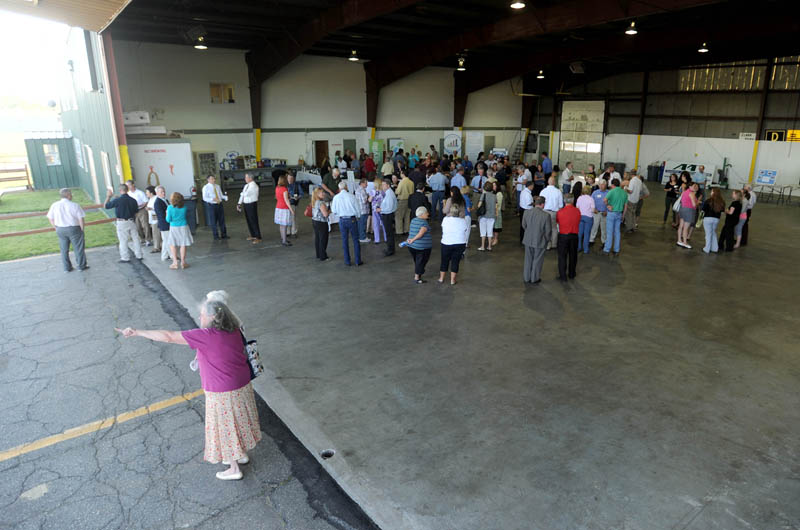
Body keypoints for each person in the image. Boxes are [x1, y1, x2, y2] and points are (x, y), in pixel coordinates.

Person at [116, 298, 261, 481]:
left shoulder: (206, 335)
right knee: (237, 420)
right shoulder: (234, 330)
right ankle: (240, 453)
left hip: (222, 391)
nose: (199, 317)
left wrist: (137, 332)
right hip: (242, 385)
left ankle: (234, 468)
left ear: (213, 317)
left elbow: (168, 336)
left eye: (202, 314)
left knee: (224, 427)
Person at [46, 188, 87, 272]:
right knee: (78, 248)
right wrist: (82, 229)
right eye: (71, 194)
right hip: (74, 228)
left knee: (64, 249)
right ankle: (81, 266)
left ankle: (67, 268)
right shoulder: (75, 205)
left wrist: (55, 227)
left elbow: (50, 218)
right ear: (68, 195)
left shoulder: (54, 205)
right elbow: (80, 219)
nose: (72, 195)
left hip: (60, 229)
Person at [105, 184, 143, 263]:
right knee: (136, 239)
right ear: (127, 190)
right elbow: (136, 212)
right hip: (132, 221)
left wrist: (108, 196)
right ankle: (139, 255)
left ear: (120, 191)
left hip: (121, 222)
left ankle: (125, 257)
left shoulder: (118, 200)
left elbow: (106, 206)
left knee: (123, 240)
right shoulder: (133, 200)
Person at [330, 181, 363, 266]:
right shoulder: (352, 196)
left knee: (344, 241)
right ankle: (357, 261)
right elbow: (358, 209)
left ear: (339, 188)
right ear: (346, 187)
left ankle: (347, 261)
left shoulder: (336, 198)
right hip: (352, 220)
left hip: (342, 220)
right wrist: (358, 217)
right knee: (355, 240)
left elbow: (333, 211)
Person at [521, 196, 551, 284]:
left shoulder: (526, 212)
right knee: (537, 260)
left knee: (528, 259)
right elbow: (548, 231)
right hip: (540, 240)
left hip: (528, 239)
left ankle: (526, 277)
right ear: (542, 204)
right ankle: (534, 278)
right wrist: (547, 240)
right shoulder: (546, 215)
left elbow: (524, 225)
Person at [438, 204, 470, 285]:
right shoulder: (463, 220)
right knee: (455, 261)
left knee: (444, 261)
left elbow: (443, 228)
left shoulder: (445, 219)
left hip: (446, 243)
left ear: (450, 211)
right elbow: (465, 229)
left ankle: (441, 278)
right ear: (459, 212)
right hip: (459, 243)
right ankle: (452, 280)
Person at [404, 206, 433, 284]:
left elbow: (412, 231)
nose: (428, 214)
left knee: (418, 261)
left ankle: (419, 272)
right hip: (421, 247)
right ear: (422, 214)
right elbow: (421, 233)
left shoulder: (413, 220)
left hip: (412, 246)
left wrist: (410, 240)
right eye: (426, 212)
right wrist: (413, 240)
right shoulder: (424, 222)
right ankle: (417, 278)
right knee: (421, 261)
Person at [556, 195, 581, 281]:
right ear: (573, 201)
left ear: (564, 201)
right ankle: (572, 274)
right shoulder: (577, 211)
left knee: (562, 256)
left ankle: (562, 275)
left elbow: (558, 221)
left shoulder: (560, 212)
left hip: (563, 236)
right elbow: (578, 221)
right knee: (573, 255)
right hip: (574, 236)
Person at [166, 192, 193, 269]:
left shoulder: (170, 208)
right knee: (183, 244)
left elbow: (168, 220)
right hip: (184, 226)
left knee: (172, 244)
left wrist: (166, 213)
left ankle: (175, 263)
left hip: (174, 227)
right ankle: (183, 262)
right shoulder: (184, 207)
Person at [603, 178, 626, 255]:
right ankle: (616, 250)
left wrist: (608, 205)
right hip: (619, 213)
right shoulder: (624, 193)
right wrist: (623, 215)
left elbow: (605, 200)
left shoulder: (611, 191)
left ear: (612, 185)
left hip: (611, 213)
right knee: (617, 232)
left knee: (609, 232)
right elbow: (625, 206)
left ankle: (607, 249)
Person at [237, 173, 261, 244]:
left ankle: (258, 237)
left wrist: (242, 193)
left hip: (251, 204)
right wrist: (239, 203)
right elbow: (243, 195)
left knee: (253, 220)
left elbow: (246, 194)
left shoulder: (253, 186)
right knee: (249, 220)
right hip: (246, 204)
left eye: (246, 177)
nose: (245, 179)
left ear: (250, 178)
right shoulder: (246, 185)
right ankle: (253, 235)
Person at [540, 177, 563, 250]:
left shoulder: (543, 191)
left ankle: (547, 244)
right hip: (554, 213)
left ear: (548, 182)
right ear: (554, 183)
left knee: (545, 228)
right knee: (554, 228)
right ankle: (554, 244)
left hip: (544, 212)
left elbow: (540, 203)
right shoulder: (558, 191)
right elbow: (561, 205)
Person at [202, 176, 228, 240]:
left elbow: (220, 195)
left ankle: (224, 234)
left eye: (214, 179)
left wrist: (224, 197)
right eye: (212, 179)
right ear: (208, 180)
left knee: (222, 220)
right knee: (213, 221)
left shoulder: (217, 186)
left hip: (219, 204)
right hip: (212, 205)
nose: (213, 180)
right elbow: (204, 198)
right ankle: (216, 236)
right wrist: (212, 199)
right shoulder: (206, 187)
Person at [376, 179, 397, 256]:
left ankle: (390, 250)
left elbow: (389, 207)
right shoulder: (387, 193)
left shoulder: (389, 194)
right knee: (389, 233)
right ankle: (390, 248)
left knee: (389, 233)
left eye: (383, 184)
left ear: (388, 185)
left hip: (387, 215)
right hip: (387, 214)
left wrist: (380, 209)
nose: (382, 186)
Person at [127, 179, 150, 246]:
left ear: (133, 185)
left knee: (145, 225)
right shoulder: (128, 194)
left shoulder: (140, 192)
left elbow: (146, 201)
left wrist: (141, 206)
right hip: (134, 212)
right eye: (127, 185)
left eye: (129, 185)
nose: (128, 186)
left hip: (141, 210)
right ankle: (142, 239)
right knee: (137, 226)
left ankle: (148, 239)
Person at [702, 187, 725, 254]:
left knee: (708, 234)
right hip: (716, 219)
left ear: (714, 193)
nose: (710, 192)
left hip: (707, 219)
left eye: (711, 191)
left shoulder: (708, 200)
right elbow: (722, 211)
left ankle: (707, 248)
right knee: (713, 233)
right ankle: (715, 248)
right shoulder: (722, 202)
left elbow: (703, 210)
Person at [476, 181, 498, 251]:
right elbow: (496, 207)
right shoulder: (495, 196)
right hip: (492, 216)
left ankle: (482, 246)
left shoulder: (483, 195)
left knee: (483, 231)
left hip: (483, 216)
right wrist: (496, 215)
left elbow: (479, 205)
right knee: (490, 231)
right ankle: (489, 246)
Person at [311, 187, 331, 262]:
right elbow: (325, 214)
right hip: (322, 222)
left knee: (318, 238)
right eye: (321, 193)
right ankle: (323, 256)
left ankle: (318, 254)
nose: (323, 194)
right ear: (317, 194)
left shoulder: (314, 201)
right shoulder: (321, 203)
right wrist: (329, 211)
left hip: (315, 221)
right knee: (323, 239)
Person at [677, 182, 699, 249]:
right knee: (686, 228)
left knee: (681, 226)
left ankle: (679, 240)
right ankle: (684, 242)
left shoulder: (685, 192)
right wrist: (697, 202)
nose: (695, 187)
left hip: (682, 209)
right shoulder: (691, 193)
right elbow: (694, 205)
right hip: (689, 211)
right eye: (693, 186)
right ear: (690, 187)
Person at [274, 175, 294, 247]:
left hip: (278, 207)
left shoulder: (277, 188)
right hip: (284, 209)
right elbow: (286, 201)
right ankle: (284, 241)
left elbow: (278, 197)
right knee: (285, 225)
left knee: (281, 225)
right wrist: (291, 210)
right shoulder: (284, 189)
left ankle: (283, 238)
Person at [153, 186, 171, 261]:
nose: (163, 193)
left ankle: (164, 256)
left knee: (166, 240)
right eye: (161, 192)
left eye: (164, 191)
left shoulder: (165, 200)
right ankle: (172, 256)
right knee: (168, 241)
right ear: (157, 193)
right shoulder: (157, 202)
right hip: (164, 223)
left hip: (168, 222)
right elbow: (161, 215)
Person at [576, 186, 594, 254]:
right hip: (588, 217)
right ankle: (586, 249)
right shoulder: (591, 199)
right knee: (587, 234)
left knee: (580, 233)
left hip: (580, 216)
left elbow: (577, 208)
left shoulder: (579, 198)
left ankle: (578, 247)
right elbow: (592, 209)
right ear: (589, 191)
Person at [395, 170, 414, 235]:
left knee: (399, 216)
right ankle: (407, 230)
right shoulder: (411, 182)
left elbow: (398, 192)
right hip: (409, 200)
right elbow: (412, 192)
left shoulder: (402, 182)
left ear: (403, 173)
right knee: (407, 216)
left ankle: (399, 231)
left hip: (402, 200)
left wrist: (396, 190)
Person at [590, 178, 608, 246]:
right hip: (596, 213)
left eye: (603, 185)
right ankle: (591, 240)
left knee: (604, 228)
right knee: (594, 226)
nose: (601, 186)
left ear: (605, 185)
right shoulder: (595, 192)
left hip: (604, 213)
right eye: (600, 185)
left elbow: (611, 204)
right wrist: (593, 209)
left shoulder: (608, 193)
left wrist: (607, 212)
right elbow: (591, 202)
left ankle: (604, 241)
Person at [145, 186, 163, 254]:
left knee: (155, 233)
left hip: (155, 217)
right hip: (153, 217)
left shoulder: (156, 199)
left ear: (151, 193)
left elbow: (157, 209)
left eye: (147, 192)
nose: (146, 193)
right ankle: (160, 245)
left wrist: (150, 209)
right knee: (156, 232)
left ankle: (156, 247)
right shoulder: (150, 199)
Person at [355, 178, 371, 243]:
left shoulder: (357, 189)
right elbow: (364, 201)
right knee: (363, 225)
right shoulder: (362, 190)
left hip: (359, 210)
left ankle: (360, 236)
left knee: (360, 224)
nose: (367, 185)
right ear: (362, 183)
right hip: (363, 210)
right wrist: (369, 197)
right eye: (366, 183)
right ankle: (363, 237)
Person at [286, 172, 303, 237]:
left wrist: (298, 197)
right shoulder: (285, 185)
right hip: (286, 204)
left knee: (293, 218)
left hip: (293, 204)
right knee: (287, 218)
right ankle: (288, 231)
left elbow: (301, 194)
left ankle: (294, 232)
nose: (289, 180)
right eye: (288, 178)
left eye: (291, 178)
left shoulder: (297, 185)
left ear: (294, 179)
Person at [491, 180, 504, 247]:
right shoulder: (492, 192)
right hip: (492, 212)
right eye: (492, 185)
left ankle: (496, 239)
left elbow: (498, 204)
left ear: (497, 186)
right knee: (493, 226)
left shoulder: (499, 194)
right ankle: (493, 238)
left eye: (494, 185)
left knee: (496, 227)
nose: (493, 187)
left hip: (497, 212)